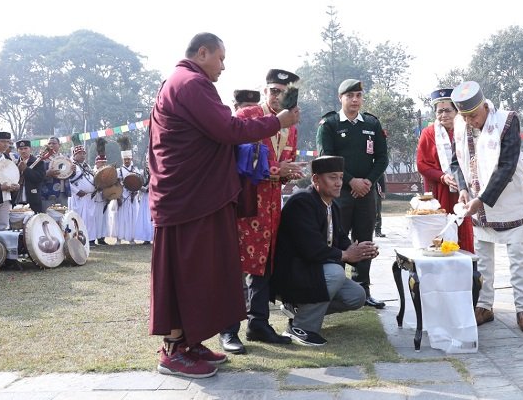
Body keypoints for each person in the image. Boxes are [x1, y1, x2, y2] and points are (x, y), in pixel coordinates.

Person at [149, 32, 301, 378]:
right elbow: (228, 129)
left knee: (202, 272)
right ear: (202, 53)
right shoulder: (190, 83)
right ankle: (173, 351)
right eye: (220, 58)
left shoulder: (183, 82)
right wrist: (278, 121)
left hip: (196, 197)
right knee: (184, 273)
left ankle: (189, 343)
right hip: (187, 200)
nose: (223, 66)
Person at [219, 70, 304, 354]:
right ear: (264, 91)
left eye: (284, 92)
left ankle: (258, 323)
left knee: (264, 265)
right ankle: (228, 329)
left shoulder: (291, 125)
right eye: (273, 91)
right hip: (244, 202)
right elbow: (236, 159)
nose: (278, 97)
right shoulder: (248, 116)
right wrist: (278, 169)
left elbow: (286, 163)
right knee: (236, 265)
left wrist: (288, 172)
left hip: (271, 205)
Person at [449, 81, 523, 334]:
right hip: (478, 204)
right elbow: (457, 161)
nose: (470, 122)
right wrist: (463, 188)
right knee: (483, 259)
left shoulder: (507, 121)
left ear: (485, 106)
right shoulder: (461, 125)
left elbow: (507, 166)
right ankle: (484, 305)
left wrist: (481, 199)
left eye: (473, 116)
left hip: (508, 200)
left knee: (518, 259)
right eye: (465, 117)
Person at [271, 155, 374, 346]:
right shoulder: (302, 202)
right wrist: (345, 255)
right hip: (291, 274)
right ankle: (301, 327)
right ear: (316, 179)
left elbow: (340, 238)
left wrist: (359, 251)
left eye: (340, 177)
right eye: (332, 177)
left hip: (311, 273)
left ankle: (298, 309)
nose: (339, 183)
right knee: (335, 273)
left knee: (357, 296)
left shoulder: (331, 205)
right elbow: (311, 249)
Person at [316, 79, 388, 309]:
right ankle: (335, 289)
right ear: (341, 98)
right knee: (335, 239)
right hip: (338, 194)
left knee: (365, 239)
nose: (355, 100)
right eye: (350, 96)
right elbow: (326, 158)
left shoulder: (371, 123)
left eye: (358, 95)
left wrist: (367, 182)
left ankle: (363, 289)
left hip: (366, 193)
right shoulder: (329, 124)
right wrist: (351, 181)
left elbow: (382, 158)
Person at [416, 88, 475, 253]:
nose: (443, 115)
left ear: (457, 111)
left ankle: (466, 262)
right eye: (439, 111)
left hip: (462, 189)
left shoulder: (465, 130)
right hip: (438, 191)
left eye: (448, 110)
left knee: (462, 226)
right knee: (439, 230)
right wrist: (442, 177)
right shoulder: (428, 133)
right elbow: (422, 164)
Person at [68, 145, 99, 243]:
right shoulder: (71, 165)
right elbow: (66, 182)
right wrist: (77, 191)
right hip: (78, 198)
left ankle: (91, 239)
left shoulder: (87, 166)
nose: (83, 155)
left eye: (84, 154)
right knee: (79, 219)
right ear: (75, 155)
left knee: (90, 219)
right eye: (80, 154)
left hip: (89, 197)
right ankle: (79, 239)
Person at [115, 141, 141, 244]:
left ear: (131, 159)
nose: (126, 161)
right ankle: (119, 238)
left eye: (128, 159)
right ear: (122, 160)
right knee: (120, 218)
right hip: (122, 197)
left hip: (132, 197)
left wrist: (135, 192)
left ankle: (132, 238)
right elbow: (116, 184)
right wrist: (118, 197)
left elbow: (139, 183)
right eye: (125, 159)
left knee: (132, 217)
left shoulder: (136, 170)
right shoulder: (119, 171)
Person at [12, 139, 46, 213]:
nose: (23, 151)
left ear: (30, 149)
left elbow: (40, 178)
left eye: (25, 148)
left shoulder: (38, 162)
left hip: (33, 198)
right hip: (17, 197)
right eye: (20, 149)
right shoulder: (14, 163)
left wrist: (26, 170)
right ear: (17, 150)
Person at [41, 136, 71, 210]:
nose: (51, 145)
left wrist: (73, 170)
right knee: (48, 215)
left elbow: (71, 174)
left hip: (63, 193)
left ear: (59, 145)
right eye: (49, 143)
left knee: (63, 215)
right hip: (48, 194)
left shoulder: (65, 158)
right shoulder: (41, 159)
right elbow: (37, 176)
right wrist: (47, 173)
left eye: (54, 143)